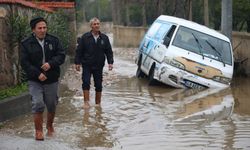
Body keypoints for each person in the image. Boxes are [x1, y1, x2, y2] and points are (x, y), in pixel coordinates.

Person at [20, 17, 65, 140]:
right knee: (38, 103)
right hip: (35, 80)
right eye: (39, 28)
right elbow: (24, 63)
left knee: (51, 104)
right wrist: (37, 73)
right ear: (33, 30)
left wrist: (50, 63)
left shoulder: (54, 41)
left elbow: (61, 55)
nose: (42, 30)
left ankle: (49, 126)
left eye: (44, 27)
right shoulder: (26, 43)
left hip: (52, 78)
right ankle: (38, 131)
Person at [75, 17, 114, 109]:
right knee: (86, 82)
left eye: (98, 24)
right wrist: (77, 62)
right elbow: (79, 51)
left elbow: (109, 51)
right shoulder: (85, 37)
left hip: (98, 65)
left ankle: (98, 104)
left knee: (99, 84)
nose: (97, 25)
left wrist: (110, 62)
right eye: (94, 24)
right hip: (87, 64)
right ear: (91, 26)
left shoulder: (104, 38)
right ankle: (86, 102)